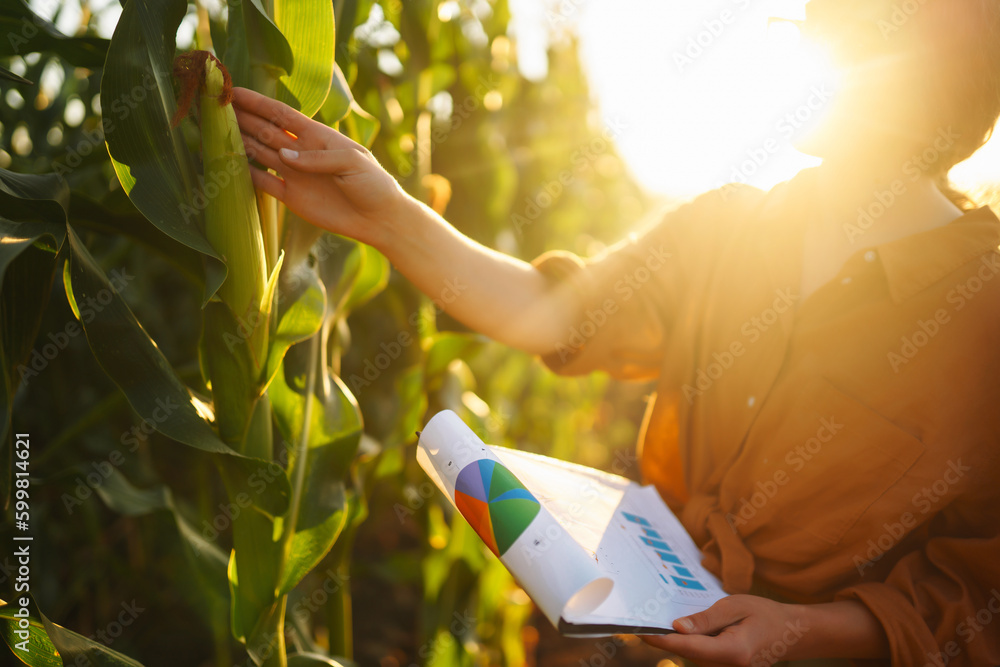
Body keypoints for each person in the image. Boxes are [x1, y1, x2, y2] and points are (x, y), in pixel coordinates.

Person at [231, 0, 1000, 664]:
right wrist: (389, 216)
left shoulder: (982, 314)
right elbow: (552, 312)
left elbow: (981, 585)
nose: (806, 45)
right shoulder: (726, 229)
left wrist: (808, 630)